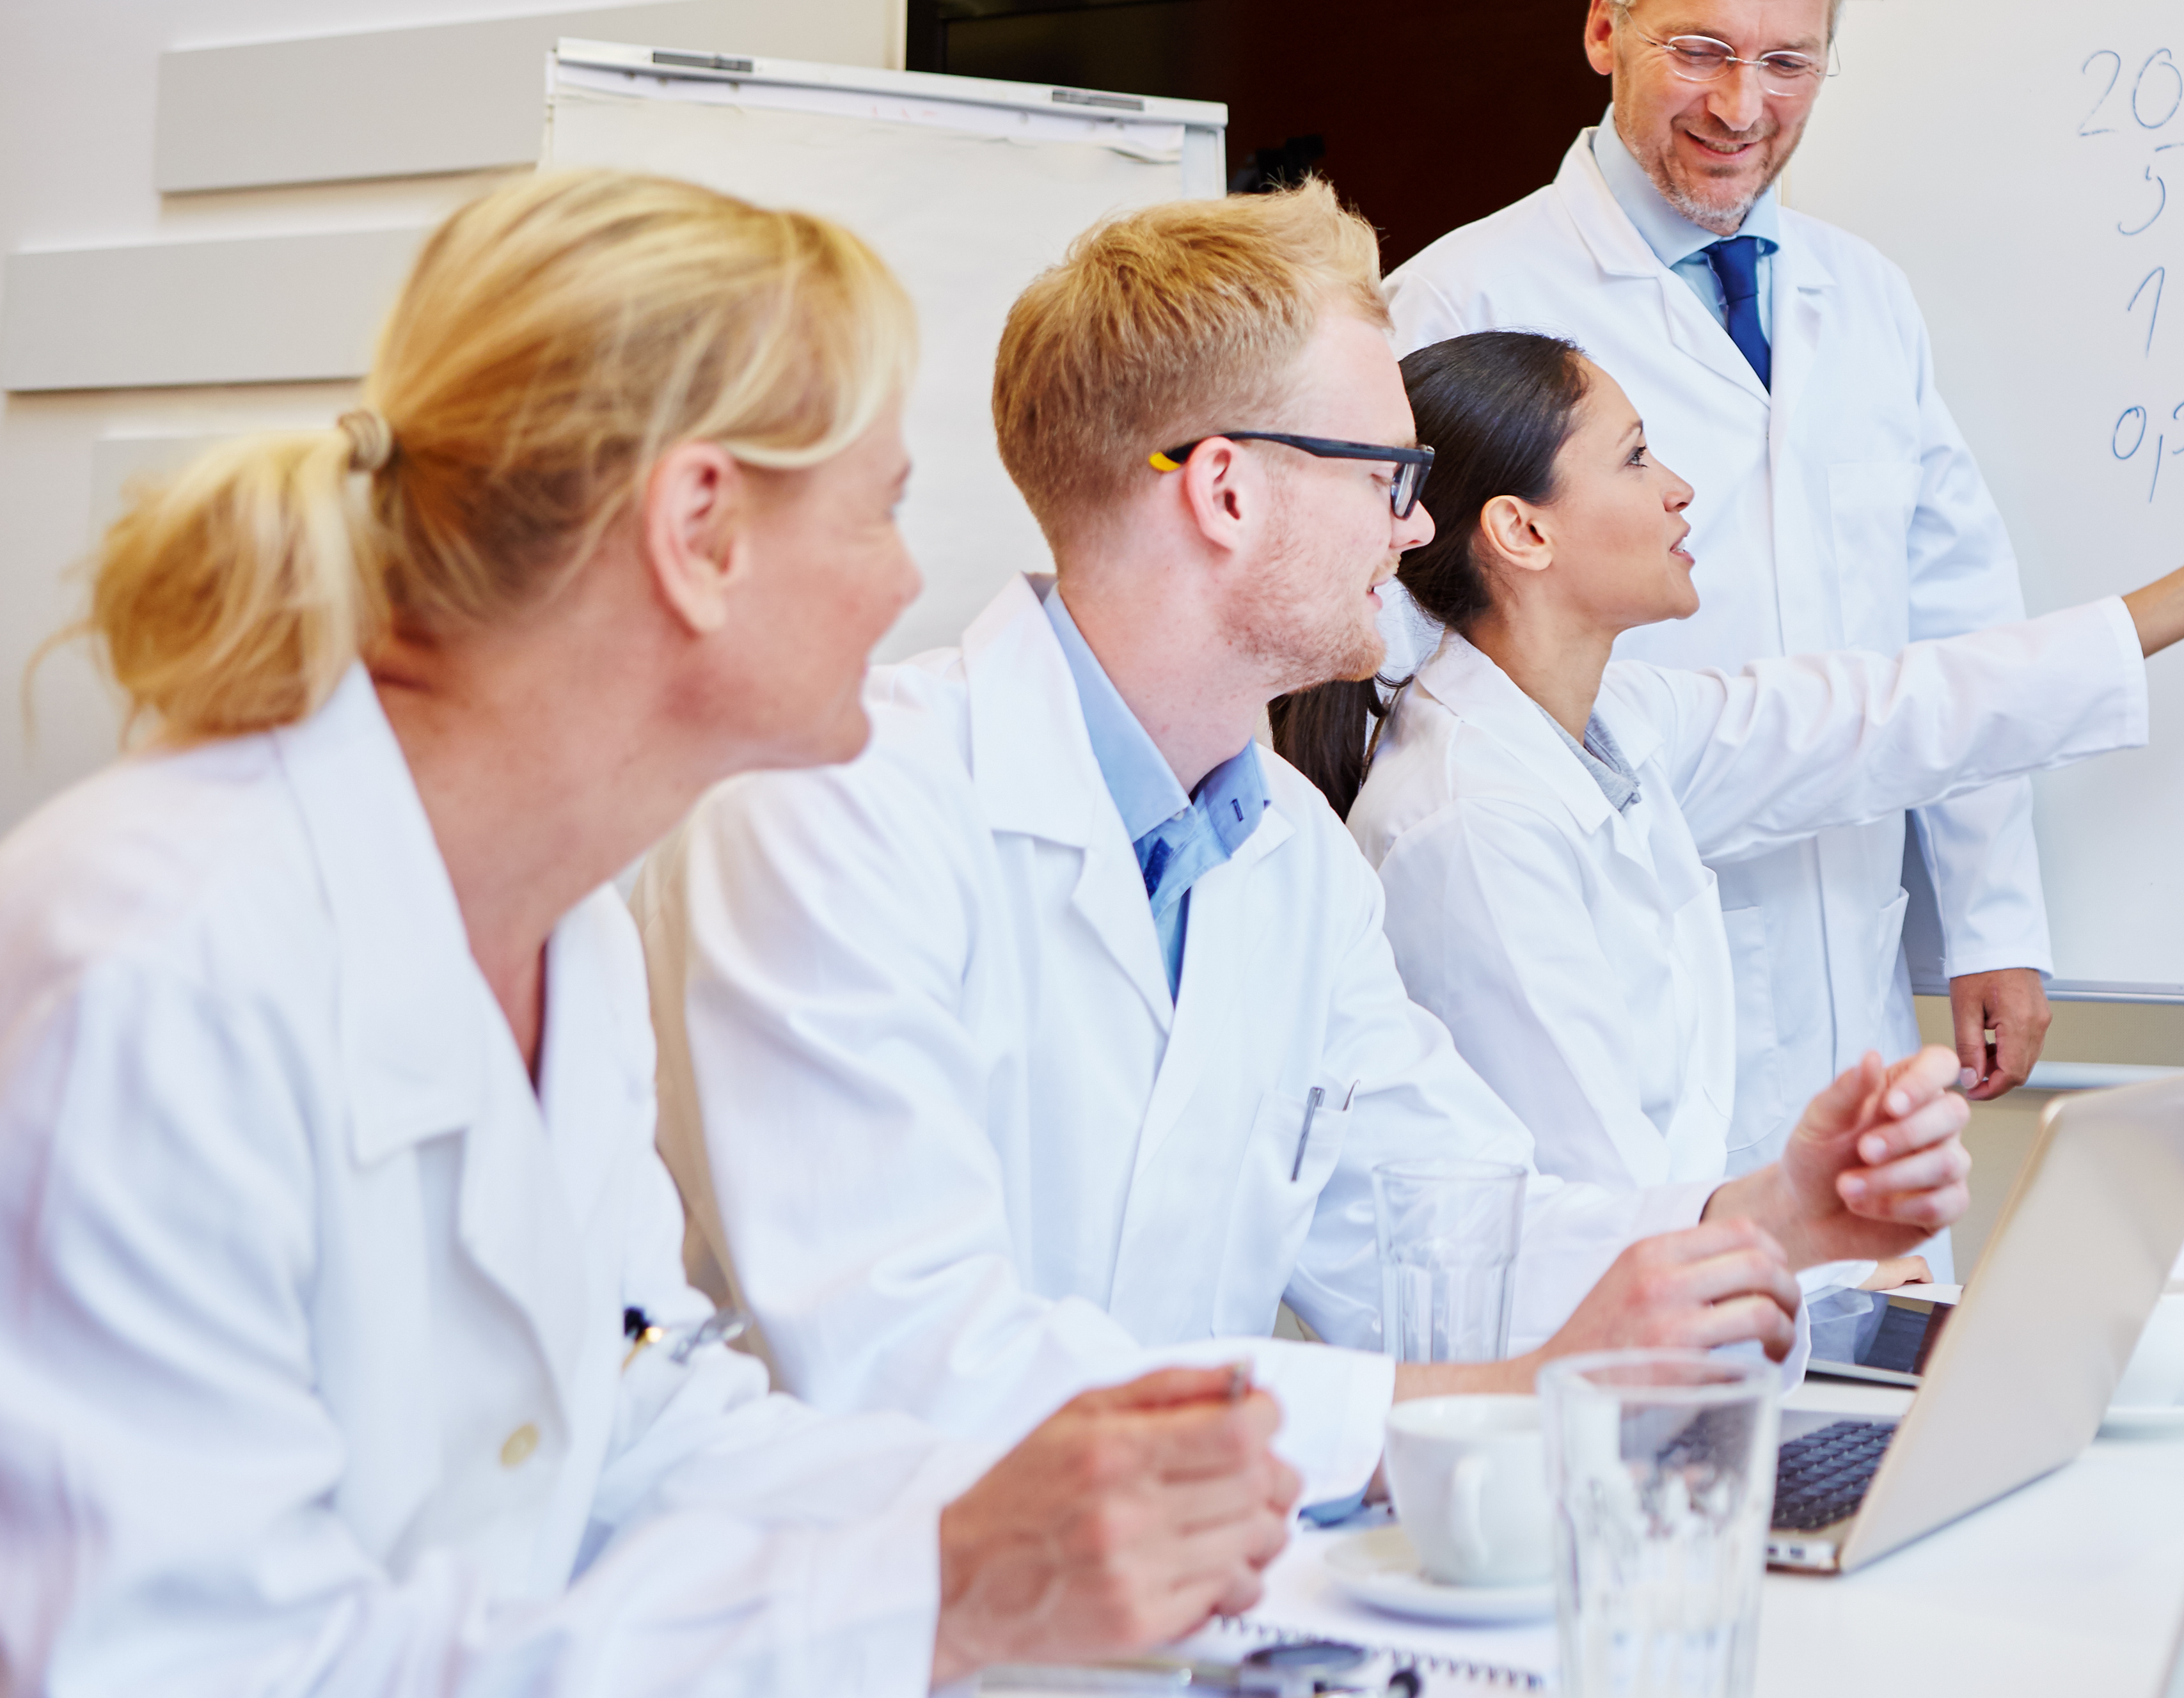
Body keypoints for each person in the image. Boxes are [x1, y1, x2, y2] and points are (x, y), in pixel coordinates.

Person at [0, 171, 1304, 1698]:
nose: (902, 585)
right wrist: (924, 1597)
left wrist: (1022, 1517)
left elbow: (640, 1428)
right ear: (701, 532)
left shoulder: (562, 930)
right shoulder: (155, 970)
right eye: (879, 510)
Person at [646, 185, 1976, 1513]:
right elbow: (919, 1365)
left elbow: (1451, 1230)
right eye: (1392, 479)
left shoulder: (1290, 850)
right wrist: (1503, 1401)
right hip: (881, 1643)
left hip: (1185, 1629)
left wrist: (1771, 1219)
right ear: (1224, 489)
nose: (1414, 531)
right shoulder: (833, 810)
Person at [1276, 330, 2184, 1193]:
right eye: (1633, 458)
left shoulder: (1618, 728)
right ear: (1523, 531)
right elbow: (1594, 1208)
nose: (1677, 487)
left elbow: (1899, 710)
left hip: (1673, 1325)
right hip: (1588, 1385)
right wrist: (1812, 1249)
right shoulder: (1470, 823)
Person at [1386, 0, 2061, 1152]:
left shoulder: (1861, 296)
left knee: (1867, 1328)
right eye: (1701, 51)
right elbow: (1403, 669)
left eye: (1789, 64)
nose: (1743, 106)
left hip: (1850, 959)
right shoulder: (1459, 304)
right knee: (1664, 1303)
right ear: (1605, 30)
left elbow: (1956, 617)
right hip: (1611, 957)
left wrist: (1991, 920)